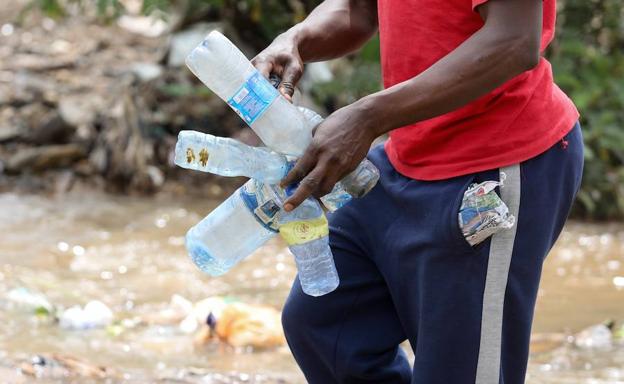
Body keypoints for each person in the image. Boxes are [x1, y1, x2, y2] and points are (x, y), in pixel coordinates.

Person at [252, 0, 583, 382]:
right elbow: (358, 10)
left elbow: (513, 41)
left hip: (493, 159)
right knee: (326, 324)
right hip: (408, 151)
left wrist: (368, 117)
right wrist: (296, 38)